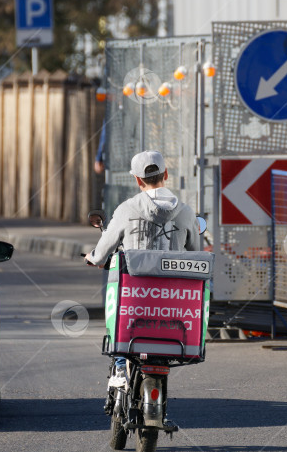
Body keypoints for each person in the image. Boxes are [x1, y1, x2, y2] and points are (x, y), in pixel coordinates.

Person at [84, 150, 200, 387]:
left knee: (116, 307)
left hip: (135, 300)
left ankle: (119, 367)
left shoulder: (126, 210)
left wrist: (93, 257)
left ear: (137, 180)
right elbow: (195, 251)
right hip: (174, 303)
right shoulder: (186, 212)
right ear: (165, 174)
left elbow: (102, 253)